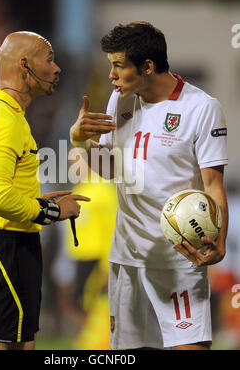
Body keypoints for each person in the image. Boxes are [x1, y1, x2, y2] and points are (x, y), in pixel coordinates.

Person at [69, 21, 229, 350]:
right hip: (127, 258)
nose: (111, 75)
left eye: (118, 66)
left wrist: (220, 241)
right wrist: (81, 142)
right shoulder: (120, 101)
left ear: (147, 67)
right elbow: (112, 170)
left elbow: (213, 186)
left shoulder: (201, 108)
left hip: (179, 259)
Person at [0, 31, 90, 350]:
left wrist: (28, 203)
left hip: (7, 246)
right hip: (5, 249)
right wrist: (52, 211)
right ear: (24, 65)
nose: (56, 68)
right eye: (49, 58)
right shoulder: (4, 120)